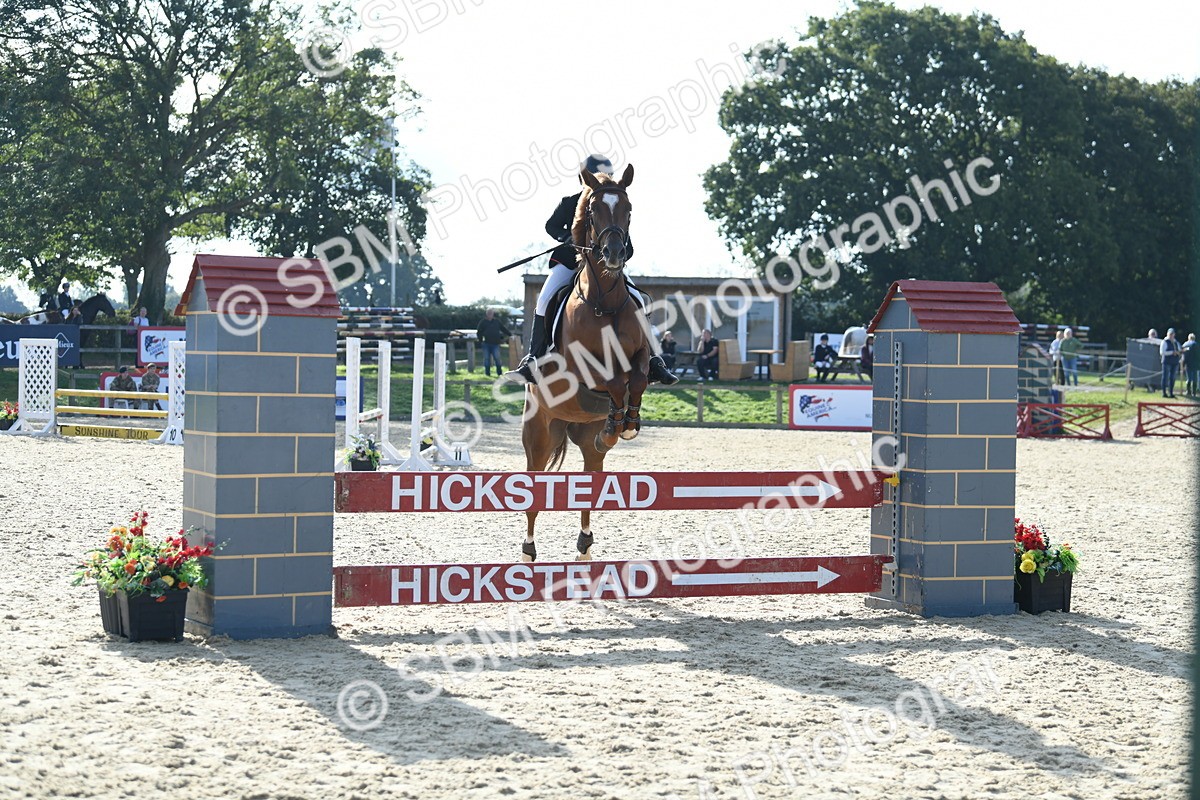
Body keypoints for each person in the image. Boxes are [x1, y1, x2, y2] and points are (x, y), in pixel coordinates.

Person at [505, 154, 678, 387]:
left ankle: (654, 360)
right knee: (545, 300)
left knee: (639, 299)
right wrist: (566, 236)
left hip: (607, 269)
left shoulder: (613, 205)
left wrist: (618, 252)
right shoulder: (569, 202)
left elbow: (628, 246)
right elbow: (550, 226)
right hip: (569, 264)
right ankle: (533, 359)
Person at [475, 308, 512, 378]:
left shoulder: (496, 321)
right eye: (489, 313)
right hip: (486, 343)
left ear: (493, 314)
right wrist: (480, 341)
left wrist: (510, 334)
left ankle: (499, 373)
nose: (490, 315)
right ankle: (487, 373)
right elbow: (479, 332)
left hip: (495, 344)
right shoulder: (483, 322)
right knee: (486, 359)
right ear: (486, 314)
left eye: (491, 313)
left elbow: (503, 328)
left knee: (497, 358)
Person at [1160, 328, 1181, 398]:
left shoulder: (1176, 342)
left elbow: (1179, 350)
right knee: (1165, 377)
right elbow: (1162, 352)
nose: (1171, 335)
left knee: (1173, 378)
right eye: (1170, 334)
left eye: (1172, 334)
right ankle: (1164, 392)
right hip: (1167, 362)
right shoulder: (1165, 342)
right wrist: (1172, 352)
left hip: (1175, 362)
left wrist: (1179, 353)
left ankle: (1171, 392)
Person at [1182, 333, 1199, 398]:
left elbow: (1183, 355)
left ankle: (1188, 391)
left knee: (1188, 378)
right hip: (1195, 363)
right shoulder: (1196, 345)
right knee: (1194, 378)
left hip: (1187, 363)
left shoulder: (1185, 344)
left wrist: (1183, 364)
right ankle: (1194, 392)